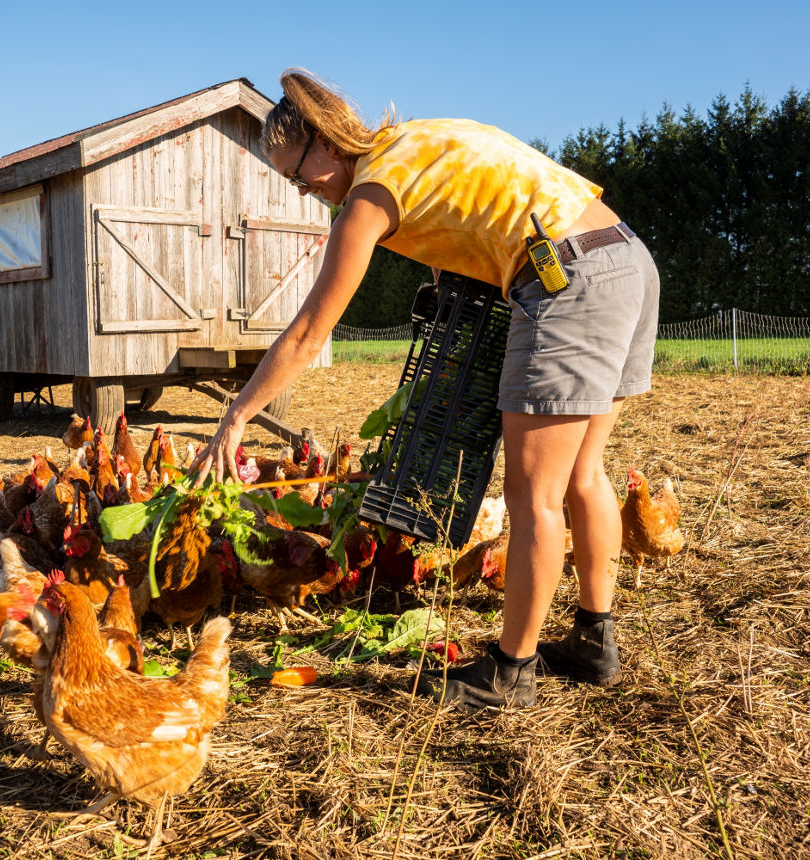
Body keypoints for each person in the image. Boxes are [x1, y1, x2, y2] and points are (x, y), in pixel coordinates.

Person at [191, 69, 660, 711]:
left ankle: (510, 671)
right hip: (623, 258)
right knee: (584, 472)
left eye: (300, 175)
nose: (307, 191)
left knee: (533, 495)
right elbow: (477, 207)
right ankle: (593, 640)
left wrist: (237, 415)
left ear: (325, 143)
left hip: (565, 280)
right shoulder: (414, 142)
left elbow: (307, 332)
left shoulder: (370, 192)